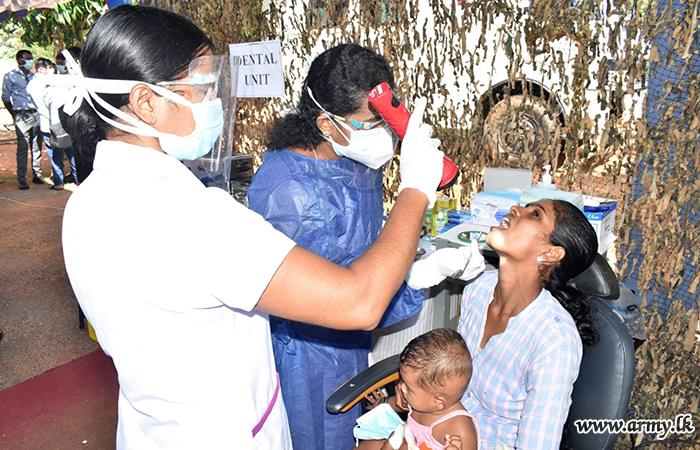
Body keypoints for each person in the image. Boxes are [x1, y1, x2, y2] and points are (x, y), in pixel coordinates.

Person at [53, 5, 443, 450]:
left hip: (153, 430)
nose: (214, 102)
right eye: (202, 87)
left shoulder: (84, 202)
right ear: (145, 102)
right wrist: (416, 188)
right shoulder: (196, 217)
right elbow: (359, 302)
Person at [246, 43, 430, 450]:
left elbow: (367, 256)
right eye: (372, 123)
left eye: (386, 122)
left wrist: (412, 273)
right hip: (303, 358)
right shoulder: (286, 191)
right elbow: (334, 300)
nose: (383, 134)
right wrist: (413, 279)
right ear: (326, 124)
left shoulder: (356, 163)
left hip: (350, 344)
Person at [457, 200, 599, 450]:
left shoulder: (555, 340)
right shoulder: (478, 287)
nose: (515, 209)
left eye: (535, 214)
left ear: (551, 254)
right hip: (446, 428)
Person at [359, 328, 479, 450]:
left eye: (408, 388)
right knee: (367, 446)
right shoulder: (421, 400)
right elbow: (400, 404)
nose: (401, 388)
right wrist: (382, 403)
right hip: (407, 440)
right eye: (403, 381)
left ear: (438, 402)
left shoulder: (460, 430)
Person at [27, 57, 77, 190]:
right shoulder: (53, 83)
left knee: (54, 154)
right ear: (41, 69)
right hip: (60, 124)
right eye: (49, 68)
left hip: (46, 124)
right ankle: (78, 179)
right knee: (71, 152)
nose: (52, 70)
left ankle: (59, 182)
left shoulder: (31, 85)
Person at [2, 50, 44, 190]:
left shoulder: (34, 77)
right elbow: (6, 97)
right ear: (20, 60)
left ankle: (37, 174)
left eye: (31, 58)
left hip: (35, 113)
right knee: (22, 146)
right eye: (28, 59)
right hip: (21, 113)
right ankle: (22, 178)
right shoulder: (10, 76)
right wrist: (13, 113)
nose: (30, 61)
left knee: (37, 145)